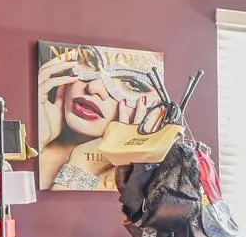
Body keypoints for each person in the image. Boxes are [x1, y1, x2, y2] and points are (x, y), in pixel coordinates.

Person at [37, 44, 163, 190]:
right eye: (91, 62)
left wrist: (84, 162)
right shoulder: (37, 148)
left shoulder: (150, 186)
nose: (94, 87)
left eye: (132, 84)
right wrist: (38, 140)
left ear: (158, 111)